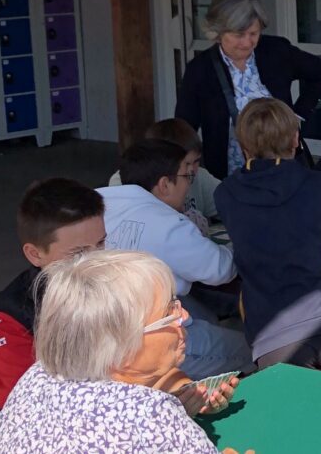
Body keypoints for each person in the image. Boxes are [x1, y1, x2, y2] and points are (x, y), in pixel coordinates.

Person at [0, 251, 250, 454]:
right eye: (169, 312)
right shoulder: (151, 416)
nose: (184, 316)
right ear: (121, 348)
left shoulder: (38, 375)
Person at [215, 97, 321, 379]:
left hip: (271, 333)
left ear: (244, 145)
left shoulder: (226, 193)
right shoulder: (320, 184)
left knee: (294, 418)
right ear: (295, 138)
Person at [98, 140, 253, 379]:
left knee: (202, 314)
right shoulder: (167, 222)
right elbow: (220, 269)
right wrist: (240, 243)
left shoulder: (95, 202)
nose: (189, 185)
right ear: (164, 185)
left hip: (95, 330)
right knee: (252, 349)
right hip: (139, 342)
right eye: (186, 177)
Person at [175, 0, 321, 179]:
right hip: (228, 173)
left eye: (253, 33)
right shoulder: (200, 70)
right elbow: (184, 126)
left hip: (283, 169)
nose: (247, 42)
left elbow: (320, 73)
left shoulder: (276, 51)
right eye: (239, 35)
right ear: (218, 31)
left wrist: (296, 116)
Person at [0, 178, 106, 409]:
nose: (96, 262)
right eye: (78, 253)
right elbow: (25, 409)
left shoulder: (117, 282)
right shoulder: (10, 317)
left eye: (101, 244)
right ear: (34, 254)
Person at [109, 118, 220, 234]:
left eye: (196, 161)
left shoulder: (200, 177)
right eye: (186, 164)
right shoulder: (123, 181)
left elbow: (229, 202)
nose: (191, 170)